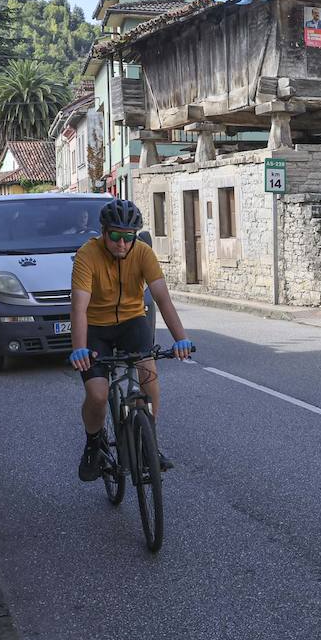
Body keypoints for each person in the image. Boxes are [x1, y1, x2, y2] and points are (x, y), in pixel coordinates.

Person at [68, 199, 193, 483]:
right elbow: (78, 308)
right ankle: (93, 443)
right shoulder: (87, 255)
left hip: (132, 322)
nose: (122, 244)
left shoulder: (144, 254)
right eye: (115, 236)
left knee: (149, 379)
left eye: (128, 237)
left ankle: (149, 443)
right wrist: (79, 349)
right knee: (98, 394)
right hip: (96, 328)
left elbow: (162, 298)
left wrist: (181, 339)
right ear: (103, 232)